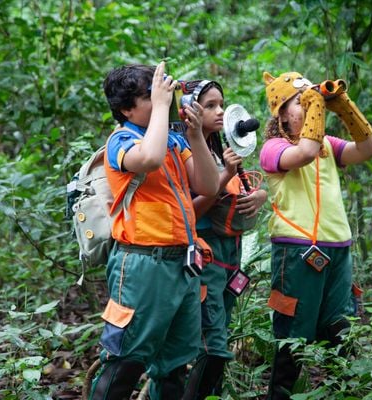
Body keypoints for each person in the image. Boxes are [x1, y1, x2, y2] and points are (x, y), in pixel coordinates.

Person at [88, 62, 219, 400]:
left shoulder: (174, 142)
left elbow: (207, 184)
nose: (161, 98)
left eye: (160, 93)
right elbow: (148, 159)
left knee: (174, 365)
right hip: (142, 266)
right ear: (125, 108)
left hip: (183, 266)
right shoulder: (121, 141)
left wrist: (194, 137)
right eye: (149, 96)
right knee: (125, 361)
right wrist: (163, 107)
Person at [259, 71, 372, 399]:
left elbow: (368, 148)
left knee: (340, 331)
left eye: (310, 100)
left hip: (337, 249)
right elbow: (304, 154)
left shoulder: (326, 145)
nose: (310, 106)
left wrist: (343, 106)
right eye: (300, 102)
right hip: (296, 253)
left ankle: (344, 392)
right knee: (293, 340)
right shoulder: (273, 148)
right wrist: (316, 106)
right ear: (281, 113)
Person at [180, 80, 267, 400]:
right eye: (211, 105)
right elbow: (188, 211)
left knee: (222, 331)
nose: (219, 112)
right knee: (213, 343)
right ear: (191, 108)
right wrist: (225, 177)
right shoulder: (182, 150)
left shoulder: (220, 149)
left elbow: (240, 191)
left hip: (232, 251)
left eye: (222, 104)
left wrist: (258, 196)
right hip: (205, 251)